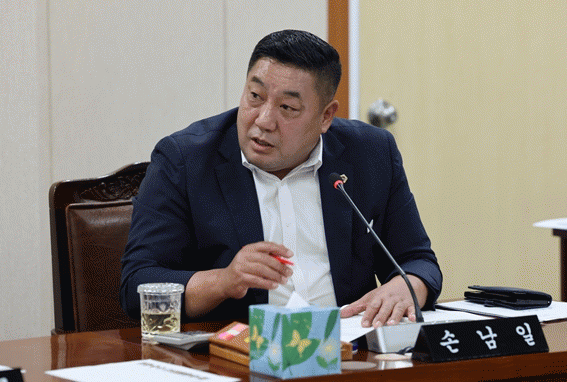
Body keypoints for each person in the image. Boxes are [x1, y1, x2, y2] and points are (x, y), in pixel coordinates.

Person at [120, 29, 442, 328]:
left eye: (287, 107)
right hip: (238, 354)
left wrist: (406, 286)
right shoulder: (185, 160)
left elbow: (418, 261)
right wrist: (224, 281)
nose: (263, 120)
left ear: (326, 116)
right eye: (255, 96)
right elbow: (137, 285)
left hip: (348, 352)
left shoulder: (370, 153)